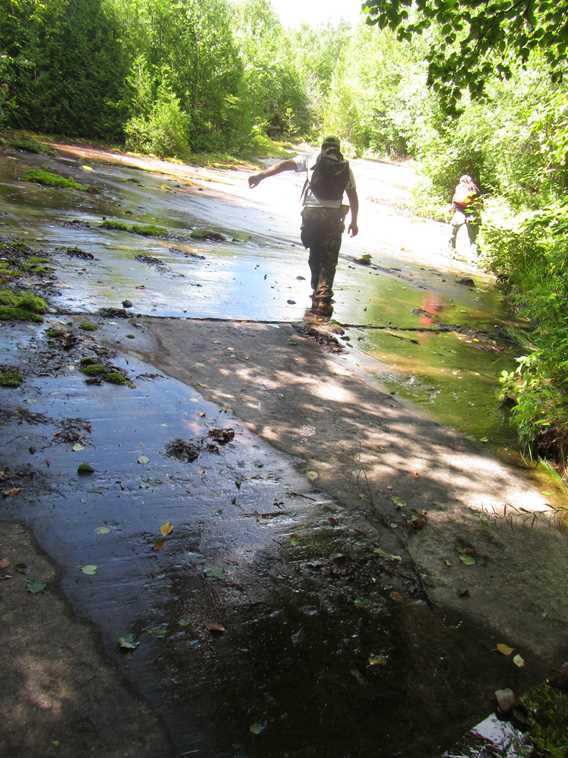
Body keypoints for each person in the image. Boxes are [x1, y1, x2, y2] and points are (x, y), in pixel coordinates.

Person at [248, 136, 359, 319]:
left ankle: (317, 292)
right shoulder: (345, 167)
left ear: (323, 147)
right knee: (329, 260)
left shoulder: (312, 158)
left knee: (315, 254)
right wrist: (354, 221)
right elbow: (353, 196)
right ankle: (323, 299)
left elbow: (285, 165)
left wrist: (261, 175)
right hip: (333, 216)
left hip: (311, 216)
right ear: (338, 148)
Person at [449, 174, 480, 256]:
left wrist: (452, 208)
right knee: (473, 236)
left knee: (453, 231)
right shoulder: (474, 188)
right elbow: (478, 203)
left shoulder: (459, 187)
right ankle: (475, 255)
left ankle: (452, 250)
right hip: (471, 211)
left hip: (459, 211)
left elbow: (454, 198)